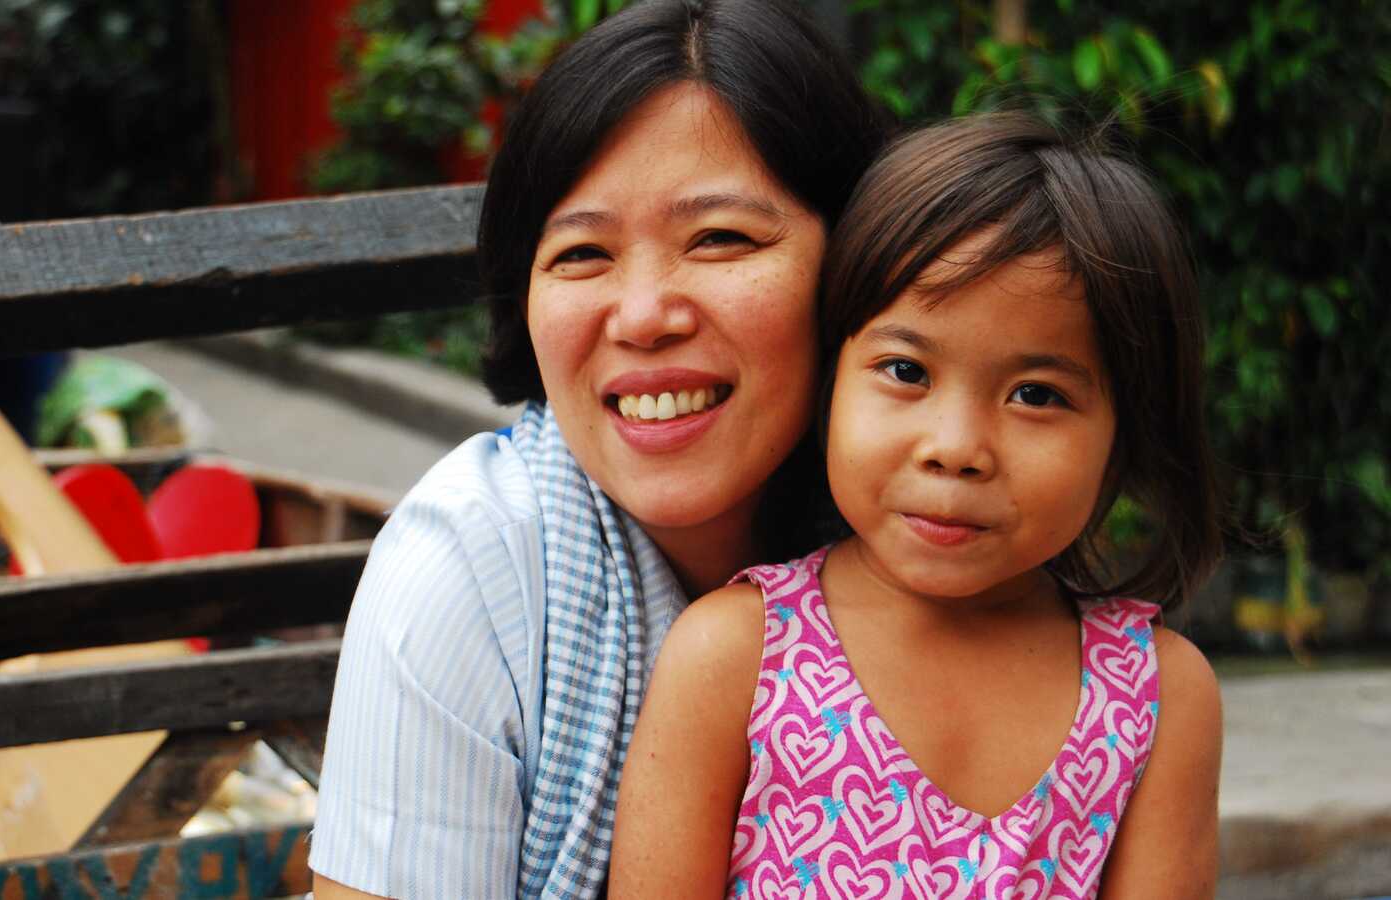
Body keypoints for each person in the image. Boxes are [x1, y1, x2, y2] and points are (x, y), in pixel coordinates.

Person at [308, 0, 889, 896]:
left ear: (860, 261)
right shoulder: (472, 575)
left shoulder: (947, 540)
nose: (646, 313)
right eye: (581, 254)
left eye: (721, 238)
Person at [609, 112, 1226, 899]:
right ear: (831, 377)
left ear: (1127, 431)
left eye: (1036, 394)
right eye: (905, 371)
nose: (956, 445)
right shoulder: (737, 657)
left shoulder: (1153, 698)